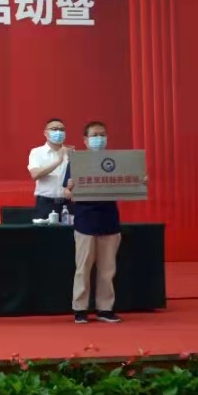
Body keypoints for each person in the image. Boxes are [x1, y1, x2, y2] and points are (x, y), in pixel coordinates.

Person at [62, 120, 129, 324]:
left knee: (107, 269)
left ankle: (105, 309)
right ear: (85, 140)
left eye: (102, 134)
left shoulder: (115, 162)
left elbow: (128, 185)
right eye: (94, 135)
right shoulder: (77, 162)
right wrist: (70, 188)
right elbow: (66, 193)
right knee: (83, 268)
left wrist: (140, 182)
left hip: (109, 220)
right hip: (85, 221)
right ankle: (80, 309)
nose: (99, 138)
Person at [28, 118, 73, 219]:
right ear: (45, 133)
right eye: (54, 129)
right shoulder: (37, 152)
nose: (58, 132)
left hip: (67, 203)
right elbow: (35, 174)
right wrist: (58, 161)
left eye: (62, 130)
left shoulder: (72, 153)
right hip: (45, 203)